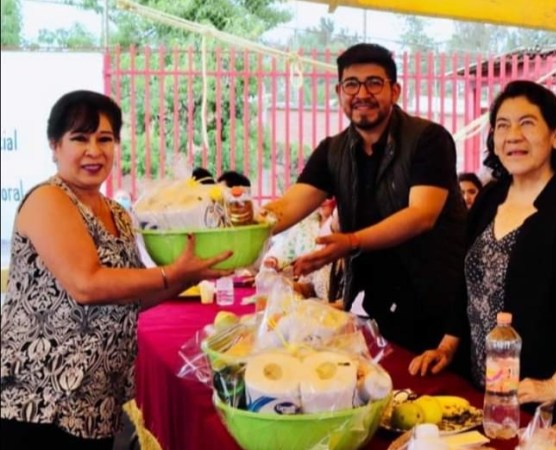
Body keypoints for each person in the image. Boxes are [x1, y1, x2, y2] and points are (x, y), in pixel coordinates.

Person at [0, 90, 230, 448]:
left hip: (95, 403)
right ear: (55, 146)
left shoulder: (118, 214)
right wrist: (171, 273)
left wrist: (191, 273)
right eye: (80, 138)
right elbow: (87, 284)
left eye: (104, 139)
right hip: (39, 401)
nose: (94, 151)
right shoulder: (48, 199)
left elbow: (132, 294)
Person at [411, 81, 556, 448]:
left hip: (552, 409)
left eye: (527, 123)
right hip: (485, 395)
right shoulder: (490, 197)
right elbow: (469, 283)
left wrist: (555, 384)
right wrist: (447, 346)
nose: (513, 135)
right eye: (502, 125)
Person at [260, 43, 466, 353]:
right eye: (351, 84)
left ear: (394, 91)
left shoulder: (429, 139)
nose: (362, 94)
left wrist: (351, 241)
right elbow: (287, 207)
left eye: (374, 83)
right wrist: (238, 223)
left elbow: (421, 215)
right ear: (339, 91)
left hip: (436, 306)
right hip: (373, 306)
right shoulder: (332, 151)